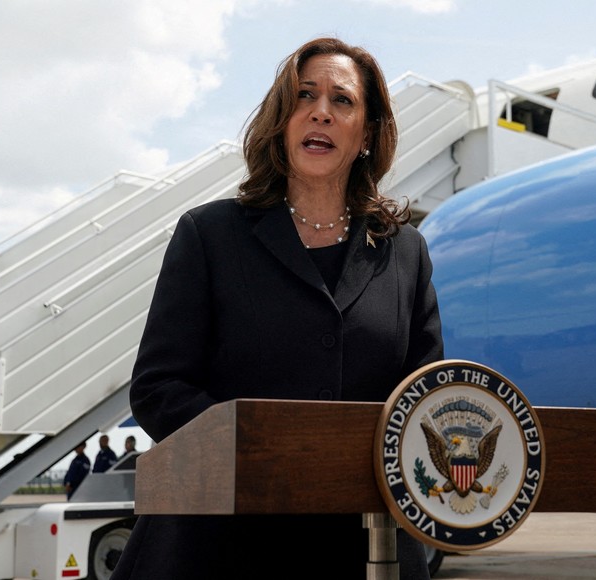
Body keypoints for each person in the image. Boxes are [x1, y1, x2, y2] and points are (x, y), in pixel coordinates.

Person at [112, 37, 443, 580]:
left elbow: (423, 399)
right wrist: (265, 448)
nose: (321, 111)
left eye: (342, 100)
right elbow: (158, 389)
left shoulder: (406, 252)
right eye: (304, 95)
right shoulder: (209, 235)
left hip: (365, 546)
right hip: (220, 544)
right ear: (282, 120)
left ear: (366, 134)